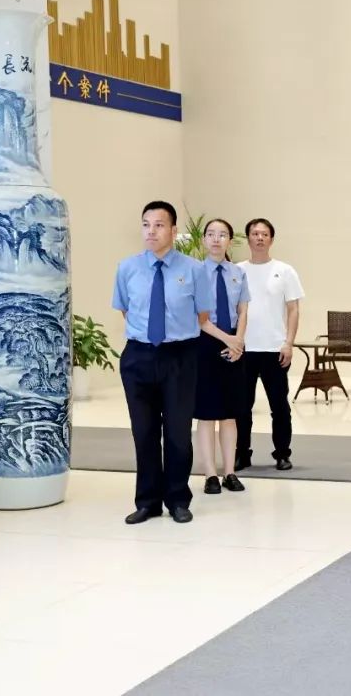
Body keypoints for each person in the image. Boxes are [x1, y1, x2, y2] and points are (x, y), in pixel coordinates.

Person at [113, 200, 215, 524]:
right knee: (143, 433)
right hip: (139, 356)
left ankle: (178, 499)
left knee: (177, 433)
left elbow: (202, 315)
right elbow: (126, 309)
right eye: (146, 225)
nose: (151, 231)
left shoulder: (194, 269)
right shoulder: (127, 268)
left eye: (159, 225)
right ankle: (147, 502)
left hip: (180, 356)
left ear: (173, 230)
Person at [235, 218, 305, 472]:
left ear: (271, 239)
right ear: (248, 238)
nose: (260, 238)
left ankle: (282, 453)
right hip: (244, 349)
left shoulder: (284, 270)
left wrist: (289, 343)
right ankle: (242, 453)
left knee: (279, 406)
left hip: (275, 349)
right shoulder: (237, 271)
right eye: (255, 233)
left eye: (265, 234)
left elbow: (293, 309)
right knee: (242, 407)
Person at [195, 218, 251, 495]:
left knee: (230, 414)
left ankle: (230, 472)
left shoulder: (238, 273)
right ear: (204, 239)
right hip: (205, 343)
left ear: (230, 240)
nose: (216, 239)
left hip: (234, 344)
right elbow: (199, 317)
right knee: (207, 414)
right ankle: (210, 475)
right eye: (211, 234)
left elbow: (243, 310)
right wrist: (228, 339)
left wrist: (237, 341)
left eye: (222, 234)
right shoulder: (195, 272)